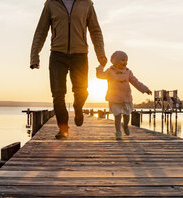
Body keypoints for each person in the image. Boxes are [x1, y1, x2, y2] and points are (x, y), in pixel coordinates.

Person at [30, 0, 107, 139]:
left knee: (82, 90)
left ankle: (78, 107)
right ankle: (63, 129)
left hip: (80, 55)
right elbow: (41, 31)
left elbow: (95, 30)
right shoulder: (51, 4)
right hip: (57, 55)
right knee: (58, 94)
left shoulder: (86, 4)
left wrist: (100, 53)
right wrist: (34, 56)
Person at [96, 51, 152, 140]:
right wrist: (101, 67)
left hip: (126, 97)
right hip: (114, 98)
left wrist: (145, 89)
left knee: (127, 115)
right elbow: (100, 75)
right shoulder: (110, 71)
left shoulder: (128, 72)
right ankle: (118, 132)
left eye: (126, 60)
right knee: (117, 116)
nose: (125, 62)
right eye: (122, 60)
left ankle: (125, 125)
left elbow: (135, 82)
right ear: (115, 61)